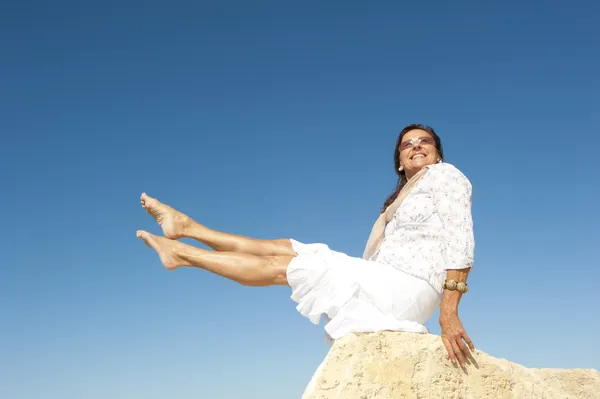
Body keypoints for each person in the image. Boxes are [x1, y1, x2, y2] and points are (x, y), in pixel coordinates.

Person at [136, 124, 475, 366]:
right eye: (407, 144)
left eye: (424, 141)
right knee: (292, 250)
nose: (416, 145)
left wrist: (449, 313)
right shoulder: (399, 201)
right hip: (388, 279)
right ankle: (188, 228)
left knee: (300, 265)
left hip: (411, 287)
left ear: (438, 154)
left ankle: (182, 252)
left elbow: (460, 240)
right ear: (400, 161)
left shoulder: (445, 176)